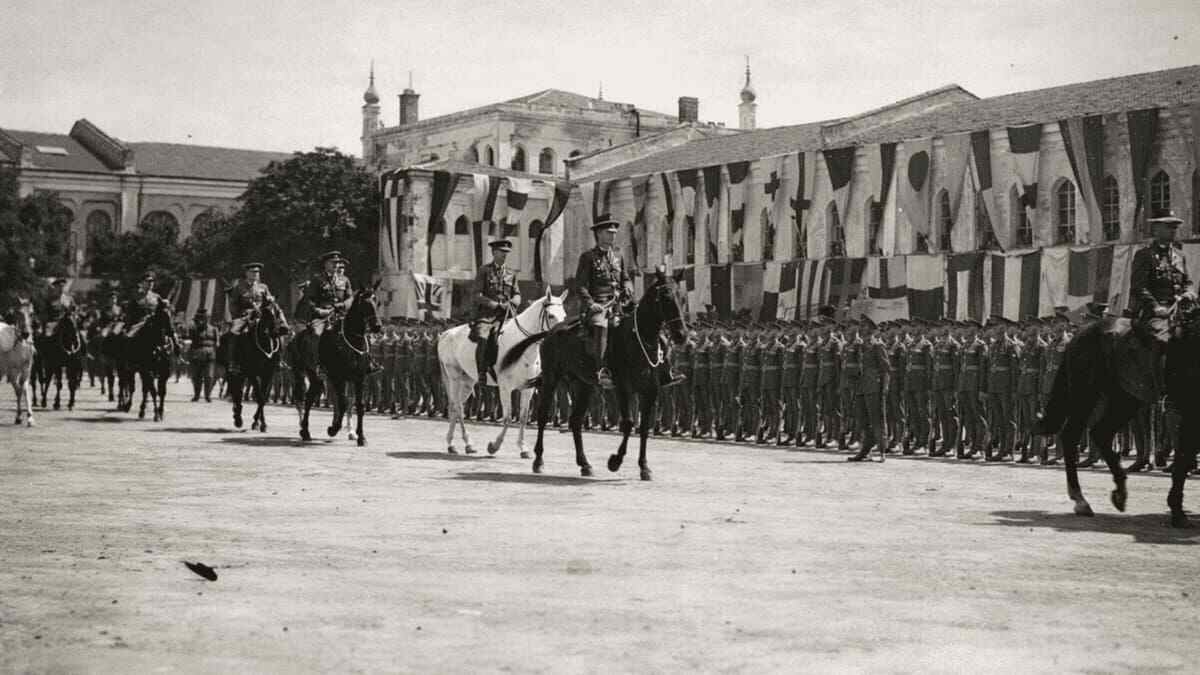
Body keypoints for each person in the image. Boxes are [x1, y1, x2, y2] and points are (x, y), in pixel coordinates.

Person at [574, 217, 634, 389]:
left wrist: (629, 286)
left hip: (618, 304)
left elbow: (625, 278)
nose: (613, 236)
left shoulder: (618, 256)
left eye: (614, 233)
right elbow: (580, 286)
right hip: (599, 306)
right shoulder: (588, 257)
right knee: (601, 325)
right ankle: (601, 371)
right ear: (599, 234)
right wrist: (591, 303)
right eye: (609, 233)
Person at [470, 239, 521, 384]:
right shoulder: (484, 271)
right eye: (501, 252)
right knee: (484, 338)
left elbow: (517, 293)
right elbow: (476, 295)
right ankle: (482, 371)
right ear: (493, 253)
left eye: (506, 253)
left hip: (506, 315)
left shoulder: (512, 273)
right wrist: (494, 304)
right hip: (487, 316)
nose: (504, 255)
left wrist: (513, 302)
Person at [225, 262, 275, 374]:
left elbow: (269, 301)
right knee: (234, 333)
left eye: (257, 272)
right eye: (253, 272)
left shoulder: (263, 287)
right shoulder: (239, 287)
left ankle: (278, 358)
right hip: (245, 316)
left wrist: (270, 301)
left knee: (277, 330)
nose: (255, 274)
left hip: (262, 315)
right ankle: (234, 361)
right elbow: (233, 305)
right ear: (246, 273)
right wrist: (239, 316)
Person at [186, 308, 220, 402]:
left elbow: (217, 343)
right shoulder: (194, 329)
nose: (203, 320)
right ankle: (196, 395)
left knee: (209, 376)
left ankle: (207, 396)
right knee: (196, 376)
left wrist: (214, 347)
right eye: (201, 318)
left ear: (208, 319)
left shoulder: (214, 329)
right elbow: (189, 338)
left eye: (205, 318)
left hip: (210, 355)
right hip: (197, 355)